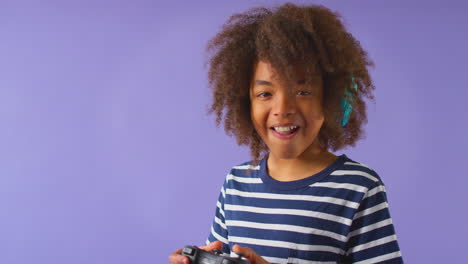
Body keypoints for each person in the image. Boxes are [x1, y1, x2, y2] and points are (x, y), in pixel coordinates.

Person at [169, 2, 403, 264]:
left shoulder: (359, 187)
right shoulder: (235, 184)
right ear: (246, 102)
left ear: (330, 98)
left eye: (302, 92)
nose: (282, 109)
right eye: (265, 94)